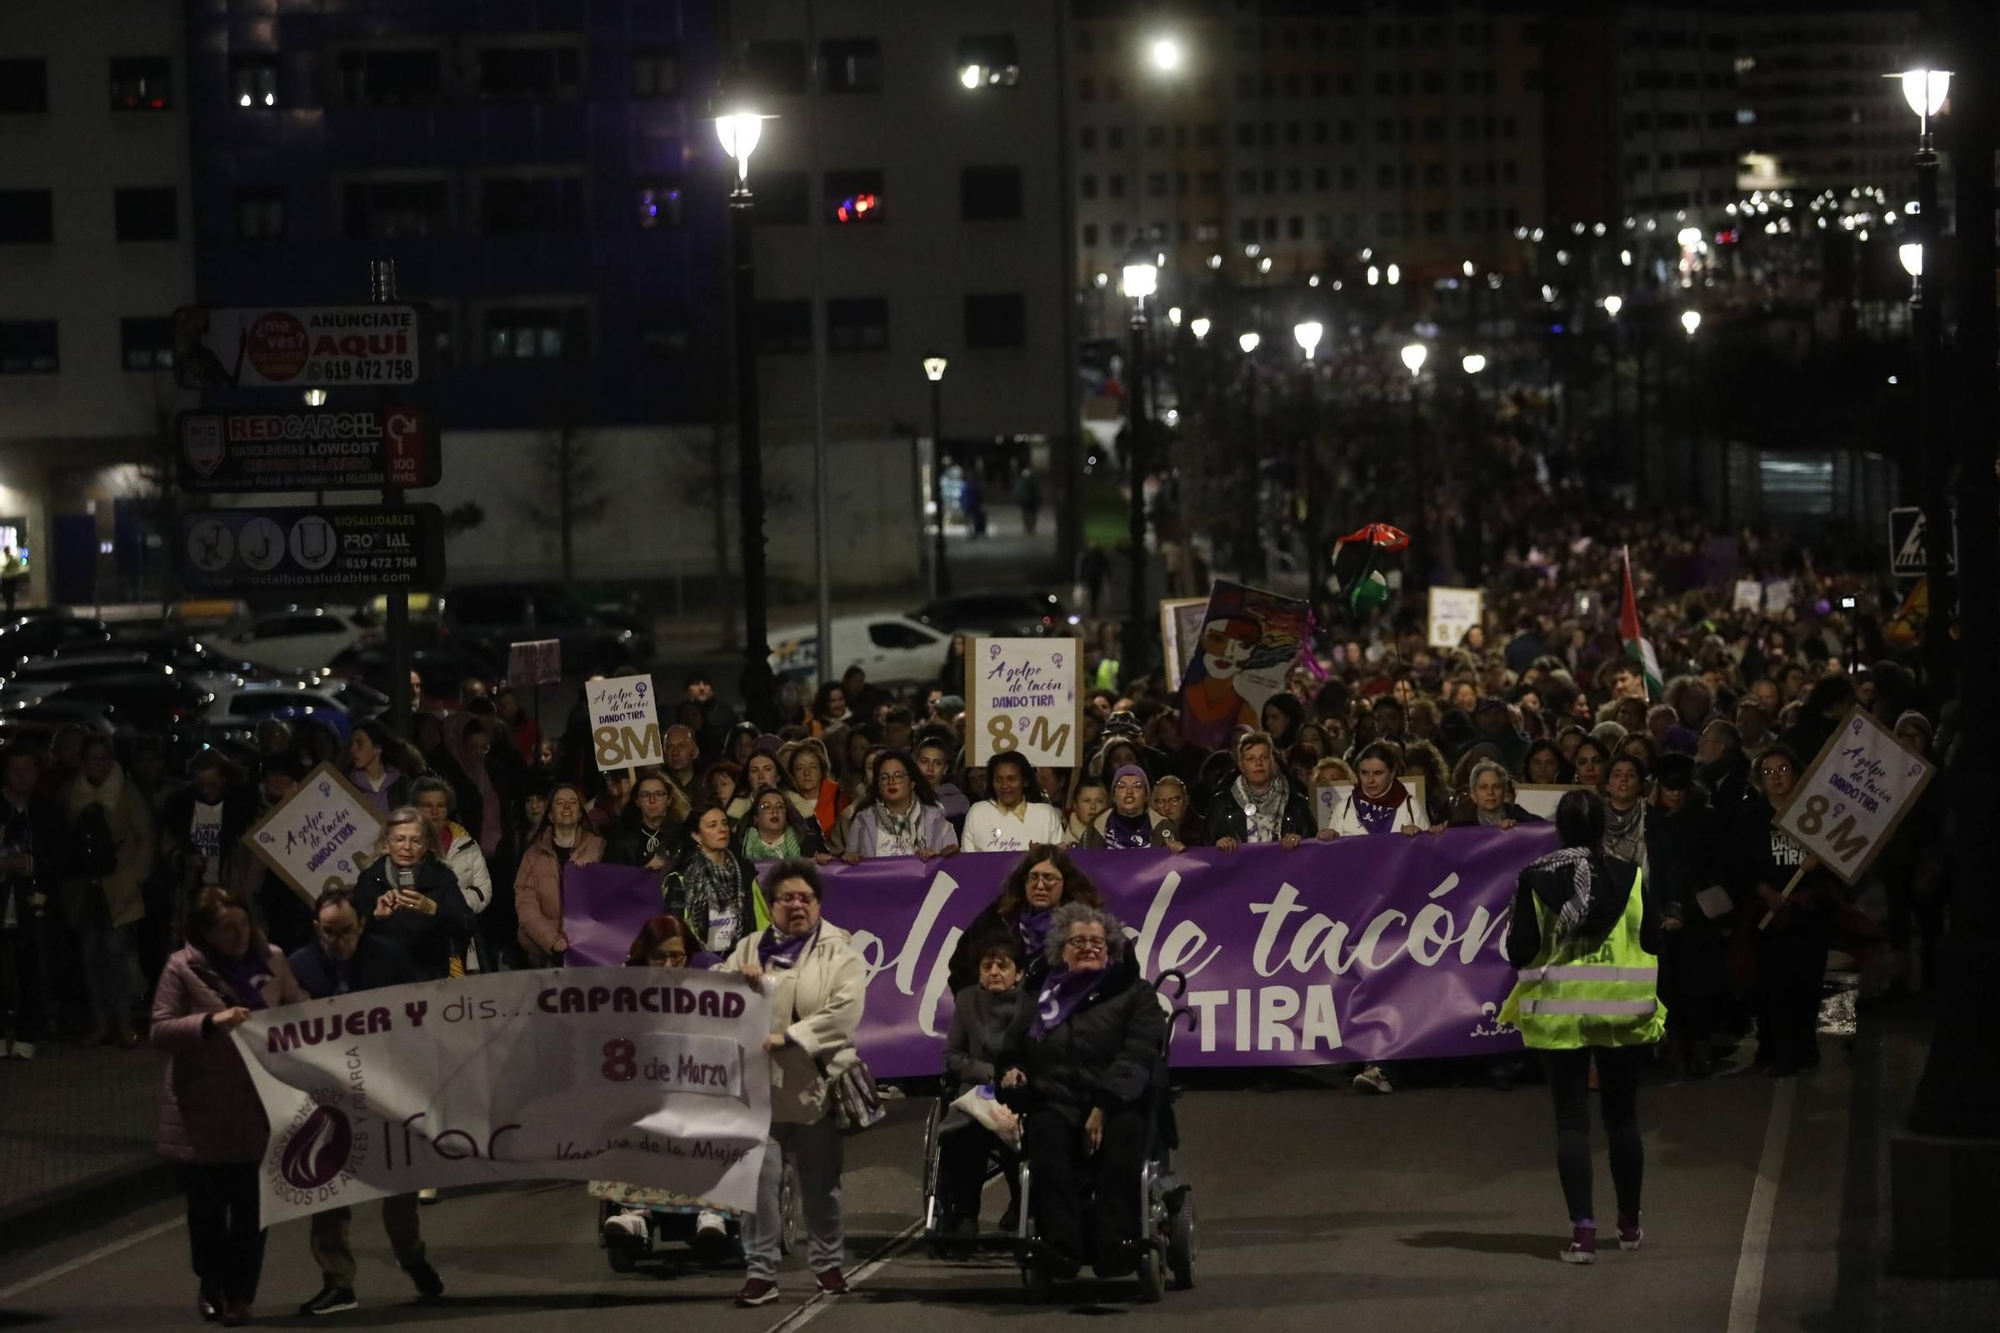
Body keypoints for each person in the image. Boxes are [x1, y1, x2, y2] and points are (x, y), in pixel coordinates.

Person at [1499, 790, 1663, 1264]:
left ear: (1560, 830)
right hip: (1621, 1011)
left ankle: (1583, 1235)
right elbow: (1652, 938)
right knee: (1622, 1118)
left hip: (1560, 1013)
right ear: (1602, 828)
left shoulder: (1536, 879)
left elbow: (1520, 951)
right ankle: (1629, 1225)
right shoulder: (1630, 876)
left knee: (1572, 1119)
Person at [153, 886, 310, 1326]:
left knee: (251, 1211)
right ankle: (211, 1281)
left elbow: (297, 1007)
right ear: (205, 933)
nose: (240, 935)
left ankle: (242, 1295)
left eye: (244, 924)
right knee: (206, 1210)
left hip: (260, 1106)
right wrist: (210, 1022)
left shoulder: (273, 959)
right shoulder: (183, 969)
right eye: (227, 929)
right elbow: (160, 1029)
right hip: (203, 1108)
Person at [287, 888, 440, 1315]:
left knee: (399, 1183)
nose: (337, 942)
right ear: (317, 929)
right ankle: (337, 1280)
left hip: (387, 1087)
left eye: (346, 932)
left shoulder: (388, 959)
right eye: (328, 933)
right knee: (329, 1187)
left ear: (363, 925)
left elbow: (417, 1014)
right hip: (329, 1095)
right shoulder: (300, 966)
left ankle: (412, 1256)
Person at [997, 901, 1165, 1281]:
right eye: (1078, 941)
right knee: (1043, 1133)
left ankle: (1114, 1243)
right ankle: (1061, 1244)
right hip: (1056, 1100)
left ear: (1111, 949)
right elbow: (1013, 1049)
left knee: (1127, 1134)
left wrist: (1103, 1106)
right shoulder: (1039, 993)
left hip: (1118, 1103)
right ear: (1060, 949)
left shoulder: (1134, 994)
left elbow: (1139, 1055)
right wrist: (1012, 1072)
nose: (1089, 947)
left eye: (1097, 942)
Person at [723, 860, 865, 1306]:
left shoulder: (840, 950)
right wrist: (736, 982)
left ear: (818, 903)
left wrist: (792, 1038)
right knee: (759, 1185)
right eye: (787, 898)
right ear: (772, 904)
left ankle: (827, 1264)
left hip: (813, 1087)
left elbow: (844, 1012)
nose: (797, 905)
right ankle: (761, 1271)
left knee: (821, 1184)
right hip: (758, 1087)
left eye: (806, 897)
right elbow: (714, 999)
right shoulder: (747, 947)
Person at [1734, 744, 1837, 1076]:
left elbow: (1842, 859)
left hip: (1809, 914)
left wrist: (1820, 860)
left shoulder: (1815, 810)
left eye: (1783, 770)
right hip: (1769, 914)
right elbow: (1738, 864)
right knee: (1770, 983)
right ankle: (1773, 1050)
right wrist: (1764, 890)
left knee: (1807, 982)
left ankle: (1804, 1048)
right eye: (1768, 772)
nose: (1776, 778)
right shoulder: (1751, 818)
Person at [64, 735, 155, 1046]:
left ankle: (124, 1021)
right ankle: (101, 1021)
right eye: (93, 758)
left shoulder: (126, 793)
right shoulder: (72, 794)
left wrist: (135, 878)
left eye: (104, 757)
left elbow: (145, 837)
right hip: (83, 888)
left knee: (117, 955)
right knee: (90, 956)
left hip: (118, 886)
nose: (99, 764)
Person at [935, 933, 1026, 1244]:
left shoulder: (1032, 1002)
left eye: (1003, 965)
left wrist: (1017, 1075)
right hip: (976, 1092)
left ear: (1020, 973)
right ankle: (964, 1214)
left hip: (1021, 1090)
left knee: (1018, 1134)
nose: (994, 972)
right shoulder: (968, 1000)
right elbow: (953, 1055)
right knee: (964, 1133)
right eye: (987, 966)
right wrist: (991, 1074)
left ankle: (1023, 1206)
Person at [1645, 754, 1730, 1077]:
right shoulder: (1650, 821)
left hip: (1698, 915)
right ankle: (1676, 1046)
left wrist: (1693, 906)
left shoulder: (1705, 819)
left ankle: (1698, 1044)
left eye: (1681, 787)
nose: (1676, 794)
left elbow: (1719, 867)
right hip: (1659, 915)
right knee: (1666, 985)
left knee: (1699, 983)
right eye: (1670, 788)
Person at [354, 806, 474, 982]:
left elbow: (467, 924)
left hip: (430, 979)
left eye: (416, 841)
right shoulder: (370, 879)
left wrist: (435, 910)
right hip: (382, 980)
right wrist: (375, 916)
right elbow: (350, 934)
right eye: (400, 839)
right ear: (387, 843)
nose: (407, 847)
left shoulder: (441, 877)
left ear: (426, 845)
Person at [0, 746, 63, 1060]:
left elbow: (61, 856)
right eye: (15, 769)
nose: (21, 775)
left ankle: (26, 1034)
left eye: (27, 769)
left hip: (34, 899)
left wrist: (29, 863)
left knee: (31, 968)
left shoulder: (47, 809)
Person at [514, 783, 606, 966]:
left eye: (572, 802)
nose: (566, 807)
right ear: (550, 815)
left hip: (590, 953)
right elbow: (526, 906)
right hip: (545, 956)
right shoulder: (533, 855)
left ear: (580, 813)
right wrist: (553, 941)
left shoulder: (600, 848)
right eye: (559, 802)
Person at [411, 776, 495, 969]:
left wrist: (451, 906)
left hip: (463, 939)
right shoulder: (407, 847)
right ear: (416, 809)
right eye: (427, 805)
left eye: (440, 806)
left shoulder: (467, 845)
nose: (434, 812)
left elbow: (483, 890)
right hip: (422, 940)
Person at [665, 802, 767, 958]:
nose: (722, 829)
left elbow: (760, 918)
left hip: (743, 959)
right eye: (712, 825)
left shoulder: (745, 871)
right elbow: (674, 930)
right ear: (696, 835)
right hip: (701, 963)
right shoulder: (681, 878)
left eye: (724, 823)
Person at [1202, 731, 1320, 851]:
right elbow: (1204, 848)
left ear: (1272, 762)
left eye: (1264, 757)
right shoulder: (1220, 804)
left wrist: (1300, 842)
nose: (1258, 764)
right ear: (1240, 765)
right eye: (1250, 759)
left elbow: (1313, 846)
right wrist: (1219, 845)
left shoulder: (1296, 803)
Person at [844, 752, 957, 860]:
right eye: (884, 777)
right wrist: (853, 859)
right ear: (878, 785)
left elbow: (951, 863)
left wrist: (939, 855)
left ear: (912, 783)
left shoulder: (934, 818)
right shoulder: (863, 820)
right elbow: (851, 867)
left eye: (898, 776)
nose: (891, 781)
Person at [961, 752, 1066, 853]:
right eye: (999, 780)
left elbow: (1059, 860)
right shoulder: (977, 812)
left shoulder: (1046, 814)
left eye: (1011, 779)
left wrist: (1038, 856)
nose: (1005, 785)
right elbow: (968, 862)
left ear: (1025, 781)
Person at [1326, 741, 1425, 839]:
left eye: (1378, 773)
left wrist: (1417, 836)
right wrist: (1327, 837)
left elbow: (1427, 848)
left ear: (1392, 773)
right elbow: (1332, 851)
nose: (1370, 780)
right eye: (1364, 773)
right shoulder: (1343, 808)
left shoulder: (1411, 806)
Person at [1076, 765, 1185, 851]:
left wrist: (1177, 854)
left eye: (1137, 786)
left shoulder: (1163, 827)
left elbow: (1174, 871)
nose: (1129, 792)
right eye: (1122, 786)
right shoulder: (1096, 826)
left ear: (1147, 795)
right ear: (1113, 796)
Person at [605, 771, 689, 872]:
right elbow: (613, 878)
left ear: (669, 800)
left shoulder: (682, 834)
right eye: (645, 795)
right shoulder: (621, 838)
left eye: (659, 794)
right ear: (637, 801)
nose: (652, 800)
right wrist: (642, 871)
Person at [782, 739, 847, 850]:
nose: (807, 773)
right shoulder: (784, 802)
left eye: (813, 767)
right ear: (792, 774)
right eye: (800, 768)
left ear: (822, 771)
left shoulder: (840, 799)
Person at [1440, 760, 1542, 829]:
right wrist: (1437, 832)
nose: (1490, 792)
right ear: (1473, 795)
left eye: (1496, 786)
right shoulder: (1461, 825)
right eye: (1483, 787)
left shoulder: (1519, 815)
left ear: (1503, 792)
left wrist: (1518, 827)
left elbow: (1545, 828)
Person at [742, 786, 826, 860]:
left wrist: (824, 859)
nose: (774, 811)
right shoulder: (740, 845)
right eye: (766, 806)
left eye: (780, 806)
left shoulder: (808, 844)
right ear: (755, 818)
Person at [347, 722, 411, 818]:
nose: (353, 749)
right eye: (352, 744)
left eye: (360, 744)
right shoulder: (348, 783)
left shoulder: (401, 783)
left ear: (378, 748)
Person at [1600, 755, 1650, 866]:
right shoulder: (1594, 816)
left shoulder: (1653, 819)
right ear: (1607, 785)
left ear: (1640, 785)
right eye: (1617, 775)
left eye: (1631, 775)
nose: (1623, 779)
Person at [0, 544, 25, 613]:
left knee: (10, 593)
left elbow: (16, 569)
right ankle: (9, 606)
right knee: (6, 593)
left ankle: (10, 607)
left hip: (11, 578)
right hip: (6, 578)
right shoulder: (3, 559)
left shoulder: (12, 560)